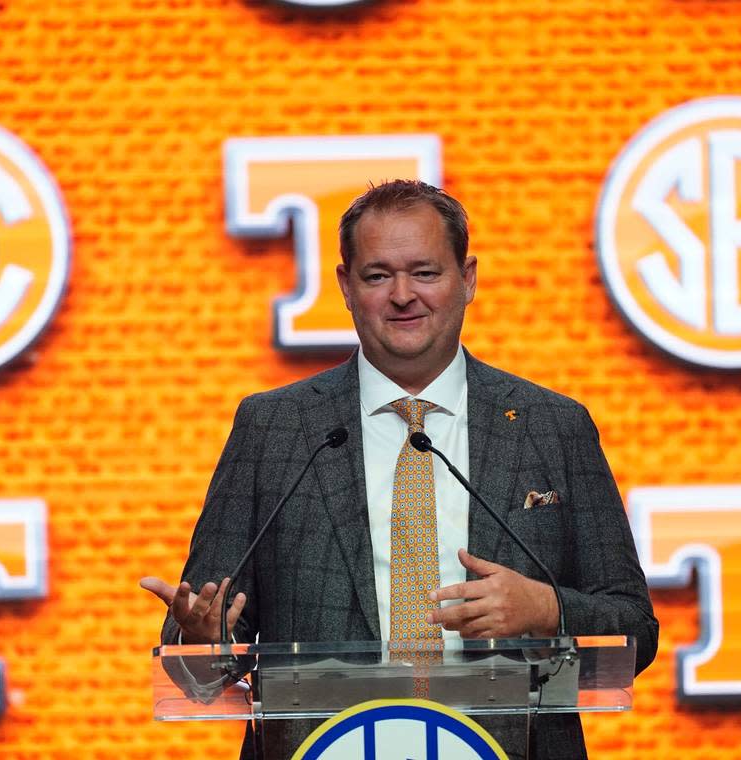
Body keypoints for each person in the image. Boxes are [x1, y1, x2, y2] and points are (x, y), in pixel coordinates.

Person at [141, 180, 658, 759]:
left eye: (426, 273)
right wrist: (201, 639)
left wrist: (549, 610)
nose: (403, 295)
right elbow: (202, 654)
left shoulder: (551, 426)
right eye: (378, 275)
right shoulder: (276, 428)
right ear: (345, 286)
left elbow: (636, 630)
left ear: (468, 279)